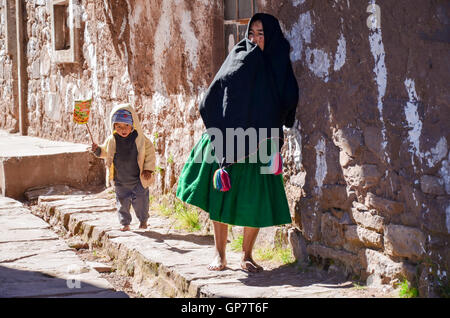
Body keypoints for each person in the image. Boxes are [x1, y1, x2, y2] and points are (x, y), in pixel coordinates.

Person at [176, 13, 299, 272]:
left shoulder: (277, 63)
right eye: (251, 33)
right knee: (222, 197)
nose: (254, 39)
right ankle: (219, 255)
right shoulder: (239, 56)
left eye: (261, 34)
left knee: (253, 198)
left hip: (260, 143)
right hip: (228, 139)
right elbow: (216, 92)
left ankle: (246, 256)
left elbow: (287, 97)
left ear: (272, 37)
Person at [91, 103, 156, 232]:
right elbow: (106, 152)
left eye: (126, 125)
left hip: (138, 179)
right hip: (120, 180)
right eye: (119, 126)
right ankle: (125, 223)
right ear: (113, 126)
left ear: (133, 124)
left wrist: (148, 169)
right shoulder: (112, 140)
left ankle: (143, 220)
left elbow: (150, 154)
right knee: (122, 203)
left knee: (141, 202)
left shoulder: (141, 139)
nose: (123, 129)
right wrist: (97, 150)